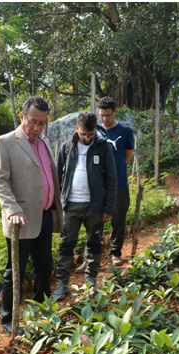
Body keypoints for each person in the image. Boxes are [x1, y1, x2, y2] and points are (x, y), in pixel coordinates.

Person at [0, 96, 64, 335]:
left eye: (41, 123)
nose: (36, 127)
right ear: (22, 117)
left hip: (43, 216)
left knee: (44, 266)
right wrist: (12, 209)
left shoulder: (44, 142)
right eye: (32, 121)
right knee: (16, 271)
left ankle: (42, 310)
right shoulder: (6, 142)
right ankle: (8, 319)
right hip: (19, 221)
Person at [52, 112, 117, 297]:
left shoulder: (104, 148)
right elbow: (57, 177)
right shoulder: (66, 147)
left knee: (94, 243)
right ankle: (62, 283)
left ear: (95, 129)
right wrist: (58, 204)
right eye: (83, 134)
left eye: (91, 134)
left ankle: (90, 280)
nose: (87, 138)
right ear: (76, 130)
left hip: (94, 207)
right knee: (66, 244)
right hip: (70, 206)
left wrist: (108, 209)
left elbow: (111, 180)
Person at [97, 97, 134, 267]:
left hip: (119, 183)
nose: (105, 119)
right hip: (98, 184)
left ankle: (115, 253)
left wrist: (115, 171)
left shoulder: (125, 131)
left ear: (115, 112)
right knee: (94, 220)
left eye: (108, 115)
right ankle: (92, 255)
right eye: (101, 115)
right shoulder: (95, 130)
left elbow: (127, 156)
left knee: (118, 218)